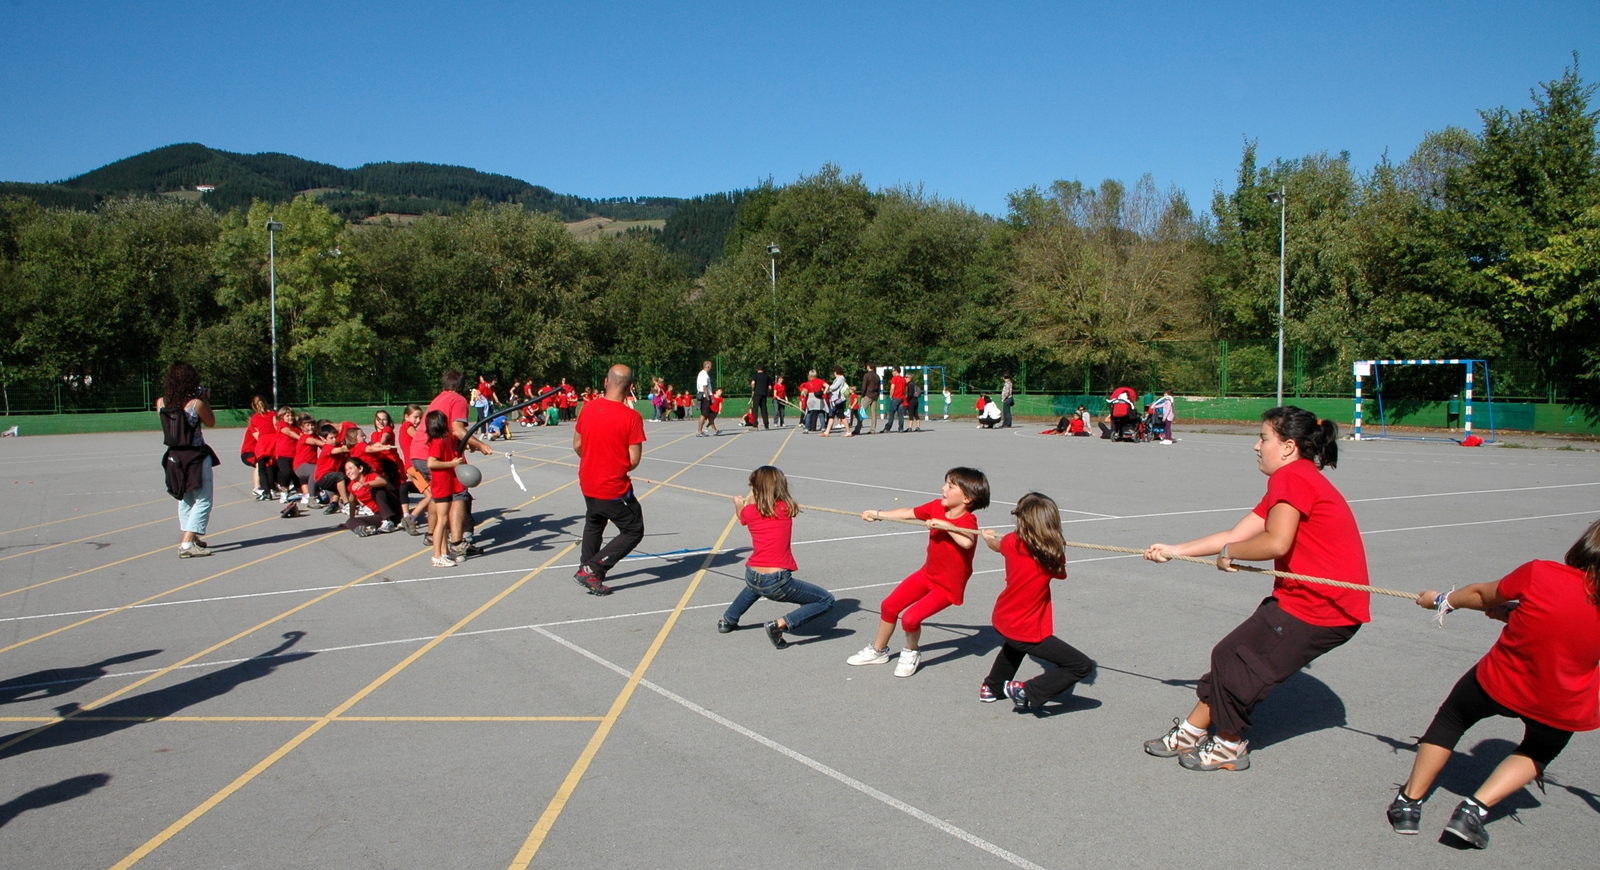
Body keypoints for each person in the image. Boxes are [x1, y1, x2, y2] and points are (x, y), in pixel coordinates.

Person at [1141, 407, 1367, 772]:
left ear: (1289, 447)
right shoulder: (1296, 477)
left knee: (1239, 665)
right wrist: (1175, 550)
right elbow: (1235, 534)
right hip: (1303, 599)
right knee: (1230, 656)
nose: (1256, 446)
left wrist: (1231, 553)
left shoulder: (1292, 477)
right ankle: (1192, 731)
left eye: (1263, 438)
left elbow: (1276, 542)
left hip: (1323, 607)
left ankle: (1229, 744)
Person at [1385, 519, 1600, 849]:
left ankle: (1408, 803)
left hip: (1500, 681)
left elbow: (1480, 594)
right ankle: (1473, 811)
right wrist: (1517, 615)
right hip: (1558, 700)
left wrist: (1442, 600)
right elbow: (1574, 633)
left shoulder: (1541, 573)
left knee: (1452, 719)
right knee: (1541, 748)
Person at [848, 468, 990, 677]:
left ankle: (911, 651)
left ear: (967, 498)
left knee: (910, 619)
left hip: (947, 587)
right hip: (927, 575)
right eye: (945, 483)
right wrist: (878, 514)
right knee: (889, 606)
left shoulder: (968, 521)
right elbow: (907, 512)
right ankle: (878, 650)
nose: (943, 488)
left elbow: (966, 542)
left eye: (950, 486)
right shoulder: (936, 507)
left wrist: (945, 525)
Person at [979, 493, 1096, 713]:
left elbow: (997, 545)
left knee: (1015, 645)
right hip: (1025, 625)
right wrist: (1056, 545)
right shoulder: (1050, 555)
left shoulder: (1011, 541)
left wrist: (988, 538)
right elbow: (1060, 574)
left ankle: (992, 687)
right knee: (1080, 665)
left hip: (1004, 616)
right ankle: (1027, 691)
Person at [718, 466, 836, 649]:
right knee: (826, 600)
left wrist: (738, 503)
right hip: (777, 581)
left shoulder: (749, 511)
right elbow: (782, 503)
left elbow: (742, 515)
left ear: (754, 488)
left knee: (755, 587)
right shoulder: (785, 507)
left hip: (752, 574)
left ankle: (727, 620)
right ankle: (780, 624)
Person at [573, 364, 647, 596]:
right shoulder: (632, 417)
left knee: (595, 521)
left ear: (606, 382)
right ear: (630, 387)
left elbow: (577, 444)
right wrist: (612, 462)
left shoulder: (587, 408)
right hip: (612, 486)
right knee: (633, 529)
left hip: (588, 479)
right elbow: (633, 460)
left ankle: (587, 566)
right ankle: (593, 569)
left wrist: (595, 458)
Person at [411, 370, 493, 557]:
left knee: (438, 495)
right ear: (462, 385)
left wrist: (466, 444)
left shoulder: (438, 399)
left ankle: (432, 535)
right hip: (435, 454)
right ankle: (457, 543)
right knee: (458, 494)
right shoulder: (458, 400)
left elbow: (449, 432)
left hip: (419, 452)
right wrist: (480, 444)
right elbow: (457, 429)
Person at [156, 362, 219, 559]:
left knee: (185, 498)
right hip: (195, 455)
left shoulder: (161, 403)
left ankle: (191, 537)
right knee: (203, 499)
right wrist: (204, 399)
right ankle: (186, 543)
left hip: (174, 456)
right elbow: (211, 422)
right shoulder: (195, 404)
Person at [424, 410, 468, 568]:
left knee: (444, 521)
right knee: (441, 520)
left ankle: (444, 552)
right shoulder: (437, 442)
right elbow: (431, 463)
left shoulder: (447, 439)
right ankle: (436, 556)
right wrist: (452, 464)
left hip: (448, 483)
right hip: (441, 484)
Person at [821, 367, 851, 437]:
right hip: (834, 400)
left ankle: (848, 431)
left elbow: (834, 387)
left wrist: (827, 387)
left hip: (838, 400)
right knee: (831, 416)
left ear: (836, 372)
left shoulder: (840, 379)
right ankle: (827, 432)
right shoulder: (837, 379)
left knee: (842, 416)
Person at [883, 368, 908, 432]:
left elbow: (892, 388)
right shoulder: (903, 379)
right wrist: (904, 396)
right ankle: (901, 428)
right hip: (902, 398)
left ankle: (887, 428)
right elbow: (905, 389)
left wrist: (891, 396)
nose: (892, 372)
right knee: (900, 414)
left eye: (893, 371)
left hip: (896, 397)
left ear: (896, 371)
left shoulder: (894, 378)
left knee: (891, 413)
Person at [695, 360, 714, 436]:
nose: (711, 367)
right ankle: (699, 431)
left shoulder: (702, 374)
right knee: (704, 414)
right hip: (704, 396)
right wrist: (707, 397)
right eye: (710, 366)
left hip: (704, 395)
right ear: (708, 366)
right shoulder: (704, 375)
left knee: (706, 414)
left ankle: (703, 430)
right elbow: (705, 387)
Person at [861, 364, 881, 434]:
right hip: (875, 395)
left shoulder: (866, 375)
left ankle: (858, 428)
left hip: (868, 395)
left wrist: (863, 394)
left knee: (862, 411)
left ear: (869, 367)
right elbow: (879, 387)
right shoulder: (877, 376)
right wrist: (877, 394)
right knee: (873, 413)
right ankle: (873, 429)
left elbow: (864, 386)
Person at [750, 365, 772, 430]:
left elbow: (753, 383)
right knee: (764, 410)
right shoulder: (767, 377)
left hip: (757, 394)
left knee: (755, 410)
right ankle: (766, 425)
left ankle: (755, 425)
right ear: (763, 370)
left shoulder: (755, 376)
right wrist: (766, 392)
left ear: (757, 369)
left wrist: (753, 389)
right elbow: (770, 387)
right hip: (764, 394)